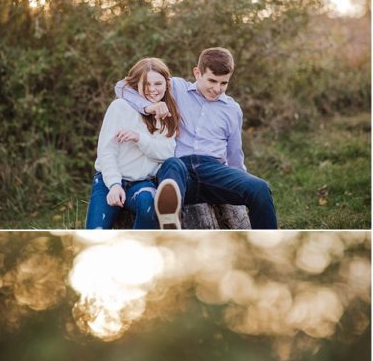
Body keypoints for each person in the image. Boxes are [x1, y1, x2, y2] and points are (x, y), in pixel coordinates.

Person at [116, 47, 277, 230]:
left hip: (213, 171)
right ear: (197, 72)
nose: (217, 89)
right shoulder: (176, 88)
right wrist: (148, 107)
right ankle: (170, 220)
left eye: (223, 83)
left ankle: (268, 245)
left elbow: (234, 154)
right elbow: (122, 86)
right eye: (212, 81)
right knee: (171, 164)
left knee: (260, 189)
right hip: (178, 169)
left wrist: (242, 179)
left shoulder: (232, 109)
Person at [85, 58, 179, 229]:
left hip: (142, 183)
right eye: (146, 84)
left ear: (166, 84)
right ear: (137, 85)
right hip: (109, 181)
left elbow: (166, 153)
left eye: (157, 83)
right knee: (95, 232)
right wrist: (114, 185)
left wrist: (139, 138)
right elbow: (107, 152)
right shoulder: (119, 107)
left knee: (148, 204)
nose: (152, 89)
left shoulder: (167, 114)